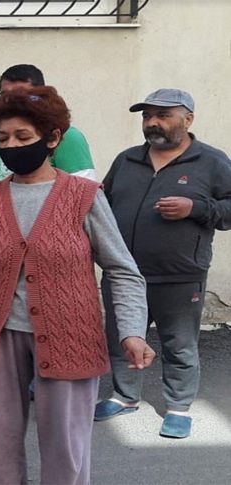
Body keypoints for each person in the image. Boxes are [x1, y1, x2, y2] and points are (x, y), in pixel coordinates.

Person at [0, 86, 154, 484]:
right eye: (2, 138)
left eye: (22, 137)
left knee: (65, 448)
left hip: (70, 333)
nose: (11, 146)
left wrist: (132, 332)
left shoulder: (83, 196)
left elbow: (122, 269)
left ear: (52, 139)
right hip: (0, 336)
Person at [94, 89, 231, 439]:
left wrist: (196, 209)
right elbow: (103, 206)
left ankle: (178, 407)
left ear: (188, 119)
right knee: (122, 338)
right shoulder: (127, 160)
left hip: (180, 275)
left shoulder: (212, 162)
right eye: (147, 115)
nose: (152, 122)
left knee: (179, 344)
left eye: (163, 115)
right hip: (123, 274)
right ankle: (125, 397)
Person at [0, 64, 96, 186]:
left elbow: (83, 189)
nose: (13, 101)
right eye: (5, 96)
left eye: (23, 137)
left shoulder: (69, 136)